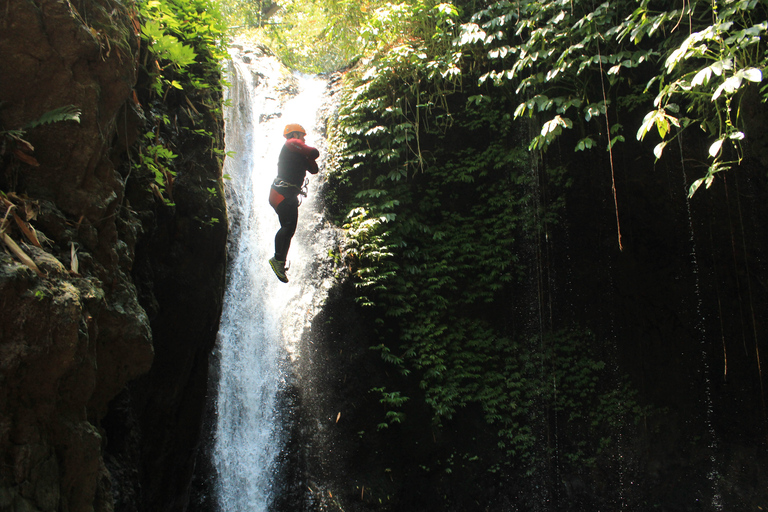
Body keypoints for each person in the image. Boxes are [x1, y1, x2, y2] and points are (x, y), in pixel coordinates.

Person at [268, 123, 320, 283]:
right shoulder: (291, 143)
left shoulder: (297, 153)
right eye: (302, 135)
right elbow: (314, 152)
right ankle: (277, 259)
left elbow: (314, 170)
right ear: (295, 134)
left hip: (286, 194)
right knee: (288, 227)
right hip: (282, 193)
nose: (304, 138)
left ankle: (280, 261)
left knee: (289, 229)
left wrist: (307, 158)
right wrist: (308, 155)